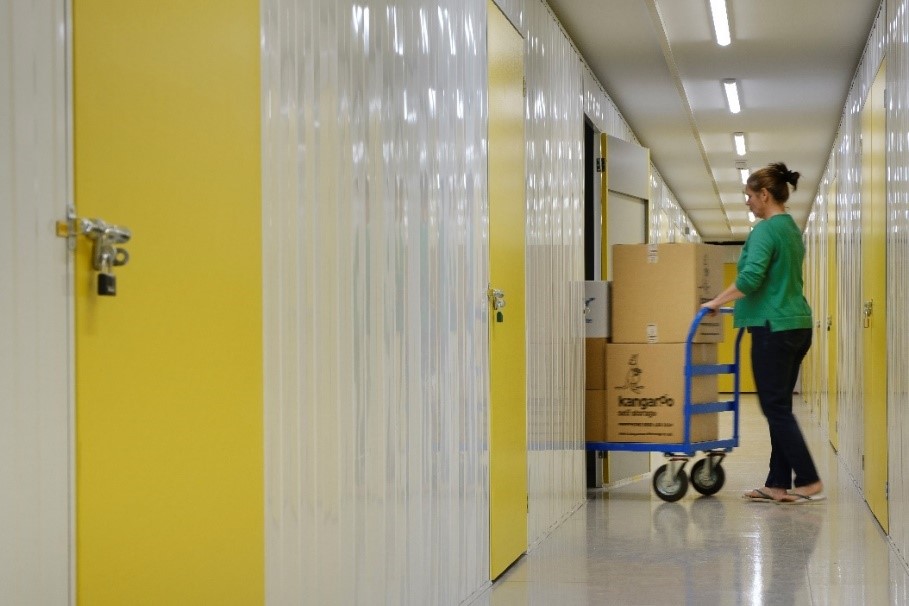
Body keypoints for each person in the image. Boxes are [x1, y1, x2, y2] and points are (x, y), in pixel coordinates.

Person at [701, 162, 824, 504]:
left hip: (773, 328)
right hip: (797, 326)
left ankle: (809, 478)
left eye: (750, 196)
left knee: (774, 408)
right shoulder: (790, 230)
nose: (748, 203)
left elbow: (751, 278)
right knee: (780, 406)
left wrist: (716, 301)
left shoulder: (765, 231)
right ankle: (778, 485)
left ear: (765, 195)